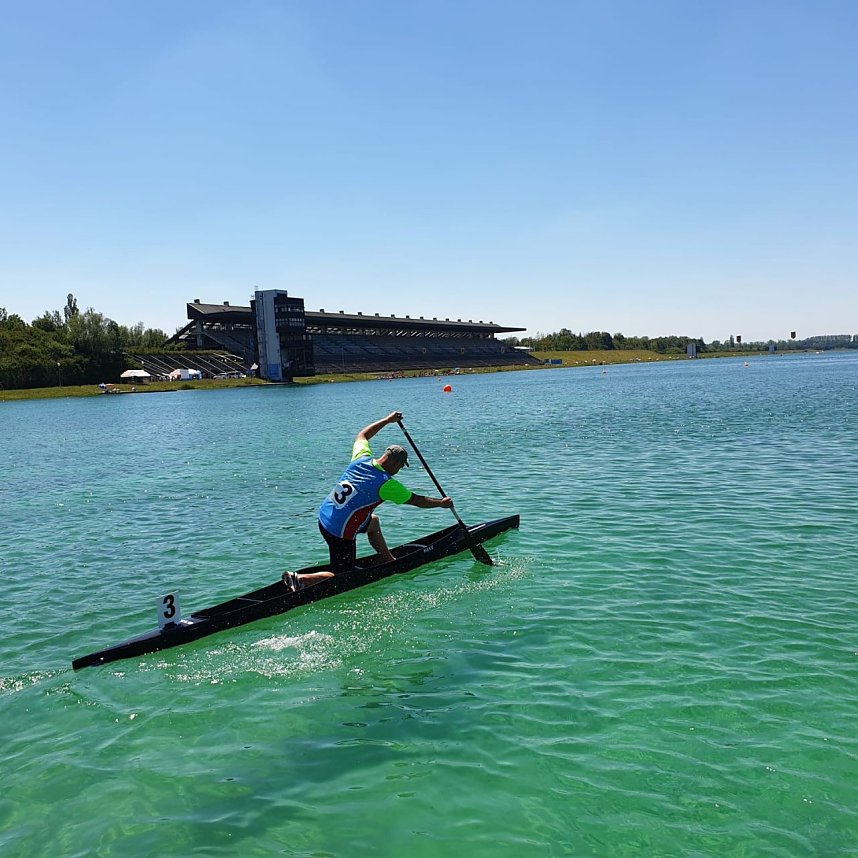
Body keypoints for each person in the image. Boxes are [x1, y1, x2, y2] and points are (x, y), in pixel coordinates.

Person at [283, 411, 452, 591]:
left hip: (324, 517)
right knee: (344, 576)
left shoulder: (361, 458)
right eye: (401, 467)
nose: (399, 471)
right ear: (395, 465)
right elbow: (417, 500)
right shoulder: (386, 484)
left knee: (373, 521)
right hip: (339, 531)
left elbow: (362, 435)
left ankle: (388, 561)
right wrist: (441, 504)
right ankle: (300, 579)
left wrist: (387, 421)